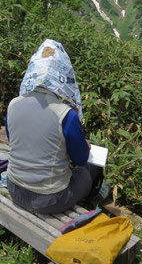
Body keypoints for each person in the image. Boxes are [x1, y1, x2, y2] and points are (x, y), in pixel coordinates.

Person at [5, 39, 102, 214]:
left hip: (14, 189)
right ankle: (93, 197)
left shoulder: (13, 105)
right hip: (49, 199)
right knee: (89, 169)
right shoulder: (65, 115)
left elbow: (13, 140)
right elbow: (80, 160)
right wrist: (82, 145)